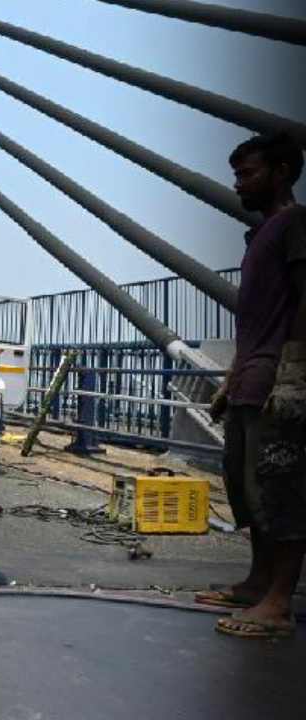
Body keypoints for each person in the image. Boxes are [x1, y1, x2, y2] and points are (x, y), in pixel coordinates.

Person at [201, 133, 306, 640]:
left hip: (275, 377)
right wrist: (231, 377)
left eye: (248, 174)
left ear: (281, 171)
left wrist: (293, 372)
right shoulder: (261, 235)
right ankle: (257, 583)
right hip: (250, 376)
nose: (239, 184)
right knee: (247, 487)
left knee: (279, 488)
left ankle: (279, 602)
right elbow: (254, 318)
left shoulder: (295, 225)